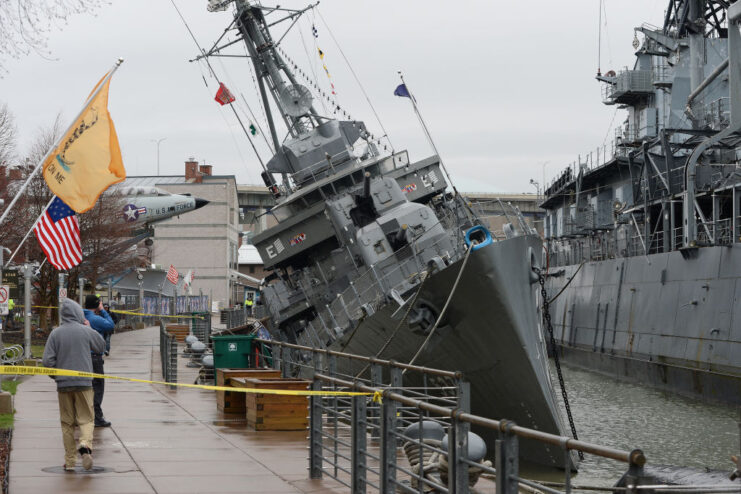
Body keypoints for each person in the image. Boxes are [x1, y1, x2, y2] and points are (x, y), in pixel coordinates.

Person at [42, 298, 106, 471]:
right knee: (86, 419)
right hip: (84, 383)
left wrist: (56, 376)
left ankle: (70, 461)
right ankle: (85, 445)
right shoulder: (85, 330)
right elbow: (101, 346)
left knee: (67, 423)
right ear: (78, 313)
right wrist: (90, 328)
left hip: (63, 385)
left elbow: (47, 361)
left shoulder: (55, 333)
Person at [83, 295, 114, 427]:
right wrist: (102, 310)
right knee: (98, 386)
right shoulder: (95, 319)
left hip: (82, 356)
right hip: (94, 357)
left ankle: (83, 414)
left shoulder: (81, 317)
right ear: (96, 305)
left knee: (84, 387)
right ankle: (97, 416)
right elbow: (110, 325)